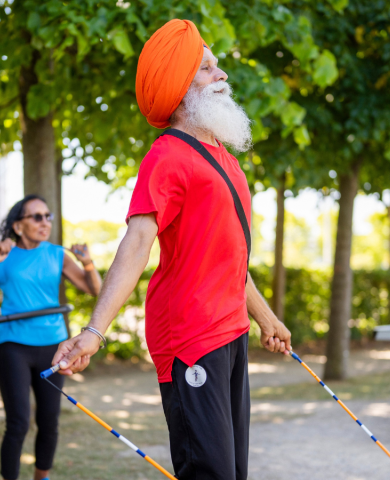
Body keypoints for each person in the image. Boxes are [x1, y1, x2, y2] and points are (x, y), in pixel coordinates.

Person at [51, 19, 291, 480]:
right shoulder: (166, 156)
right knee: (210, 472)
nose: (221, 76)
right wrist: (94, 332)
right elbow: (137, 243)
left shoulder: (226, 158)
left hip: (232, 332)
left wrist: (267, 318)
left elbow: (229, 260)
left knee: (234, 471)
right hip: (190, 336)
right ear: (181, 89)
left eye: (217, 67)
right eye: (206, 69)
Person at [0, 194, 102, 480]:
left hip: (53, 346)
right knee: (18, 422)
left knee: (49, 422)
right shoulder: (4, 255)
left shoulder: (57, 254)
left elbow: (94, 289)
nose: (45, 222)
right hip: (13, 347)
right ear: (18, 226)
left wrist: (89, 264)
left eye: (48, 216)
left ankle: (41, 476)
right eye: (37, 217)